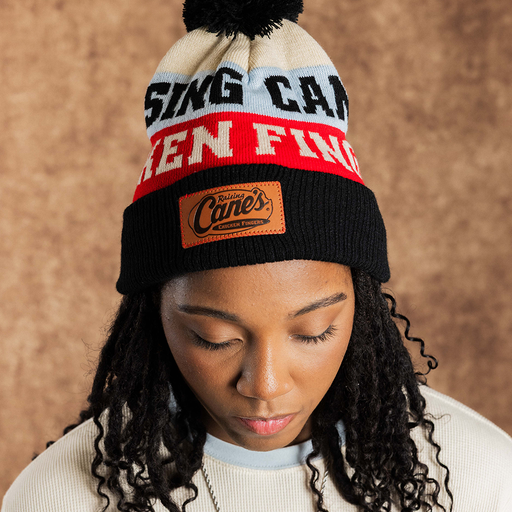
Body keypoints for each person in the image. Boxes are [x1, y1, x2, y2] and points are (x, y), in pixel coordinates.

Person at [2, 0, 512, 511]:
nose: (265, 385)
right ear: (154, 311)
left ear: (362, 306)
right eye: (214, 338)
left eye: (314, 332)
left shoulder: (482, 479)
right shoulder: (58, 498)